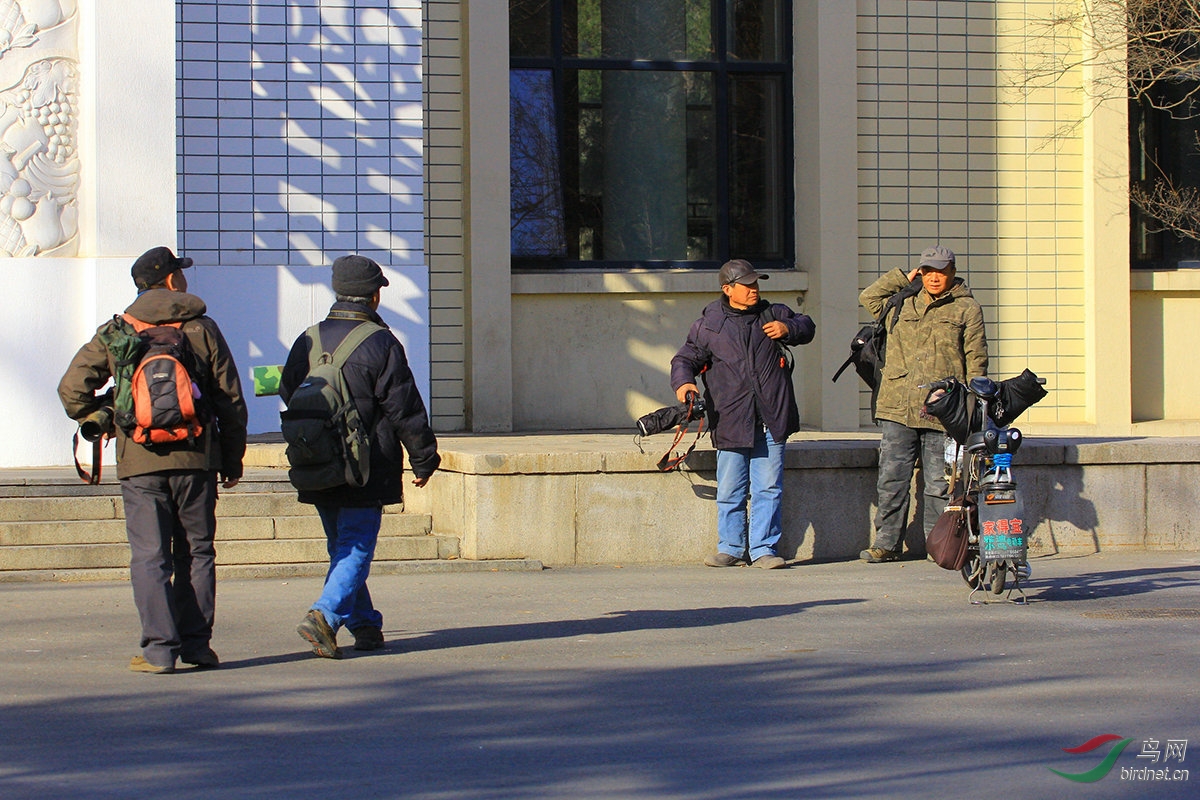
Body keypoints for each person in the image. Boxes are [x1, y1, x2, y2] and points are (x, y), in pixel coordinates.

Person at [58, 246, 248, 673]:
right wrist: (231, 459)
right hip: (196, 457)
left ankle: (159, 652)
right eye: (179, 273)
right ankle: (197, 647)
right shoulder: (203, 328)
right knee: (197, 552)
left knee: (150, 556)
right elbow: (230, 400)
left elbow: (71, 391)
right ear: (169, 281)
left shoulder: (117, 330)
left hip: (139, 459)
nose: (183, 279)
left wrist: (108, 413)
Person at [281, 254, 440, 658]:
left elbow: (288, 390)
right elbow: (404, 408)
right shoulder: (381, 343)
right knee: (355, 547)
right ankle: (325, 615)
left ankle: (366, 626)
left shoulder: (309, 337)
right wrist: (424, 458)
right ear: (374, 295)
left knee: (344, 546)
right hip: (366, 466)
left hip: (316, 462)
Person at [671, 259, 816, 569]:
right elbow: (684, 359)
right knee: (731, 489)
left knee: (768, 488)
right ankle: (731, 547)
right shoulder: (709, 324)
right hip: (731, 417)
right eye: (747, 285)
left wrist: (788, 328)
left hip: (771, 416)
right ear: (728, 289)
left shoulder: (773, 313)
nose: (754, 290)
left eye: (756, 284)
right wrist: (684, 384)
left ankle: (764, 549)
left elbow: (807, 327)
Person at [858, 245, 988, 563]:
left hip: (942, 410)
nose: (933, 277)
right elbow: (868, 298)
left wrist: (974, 403)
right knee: (891, 479)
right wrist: (902, 278)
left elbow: (976, 359)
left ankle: (936, 544)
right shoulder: (900, 301)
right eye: (928, 271)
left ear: (952, 272)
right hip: (897, 405)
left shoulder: (966, 309)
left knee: (939, 483)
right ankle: (887, 543)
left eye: (940, 271)